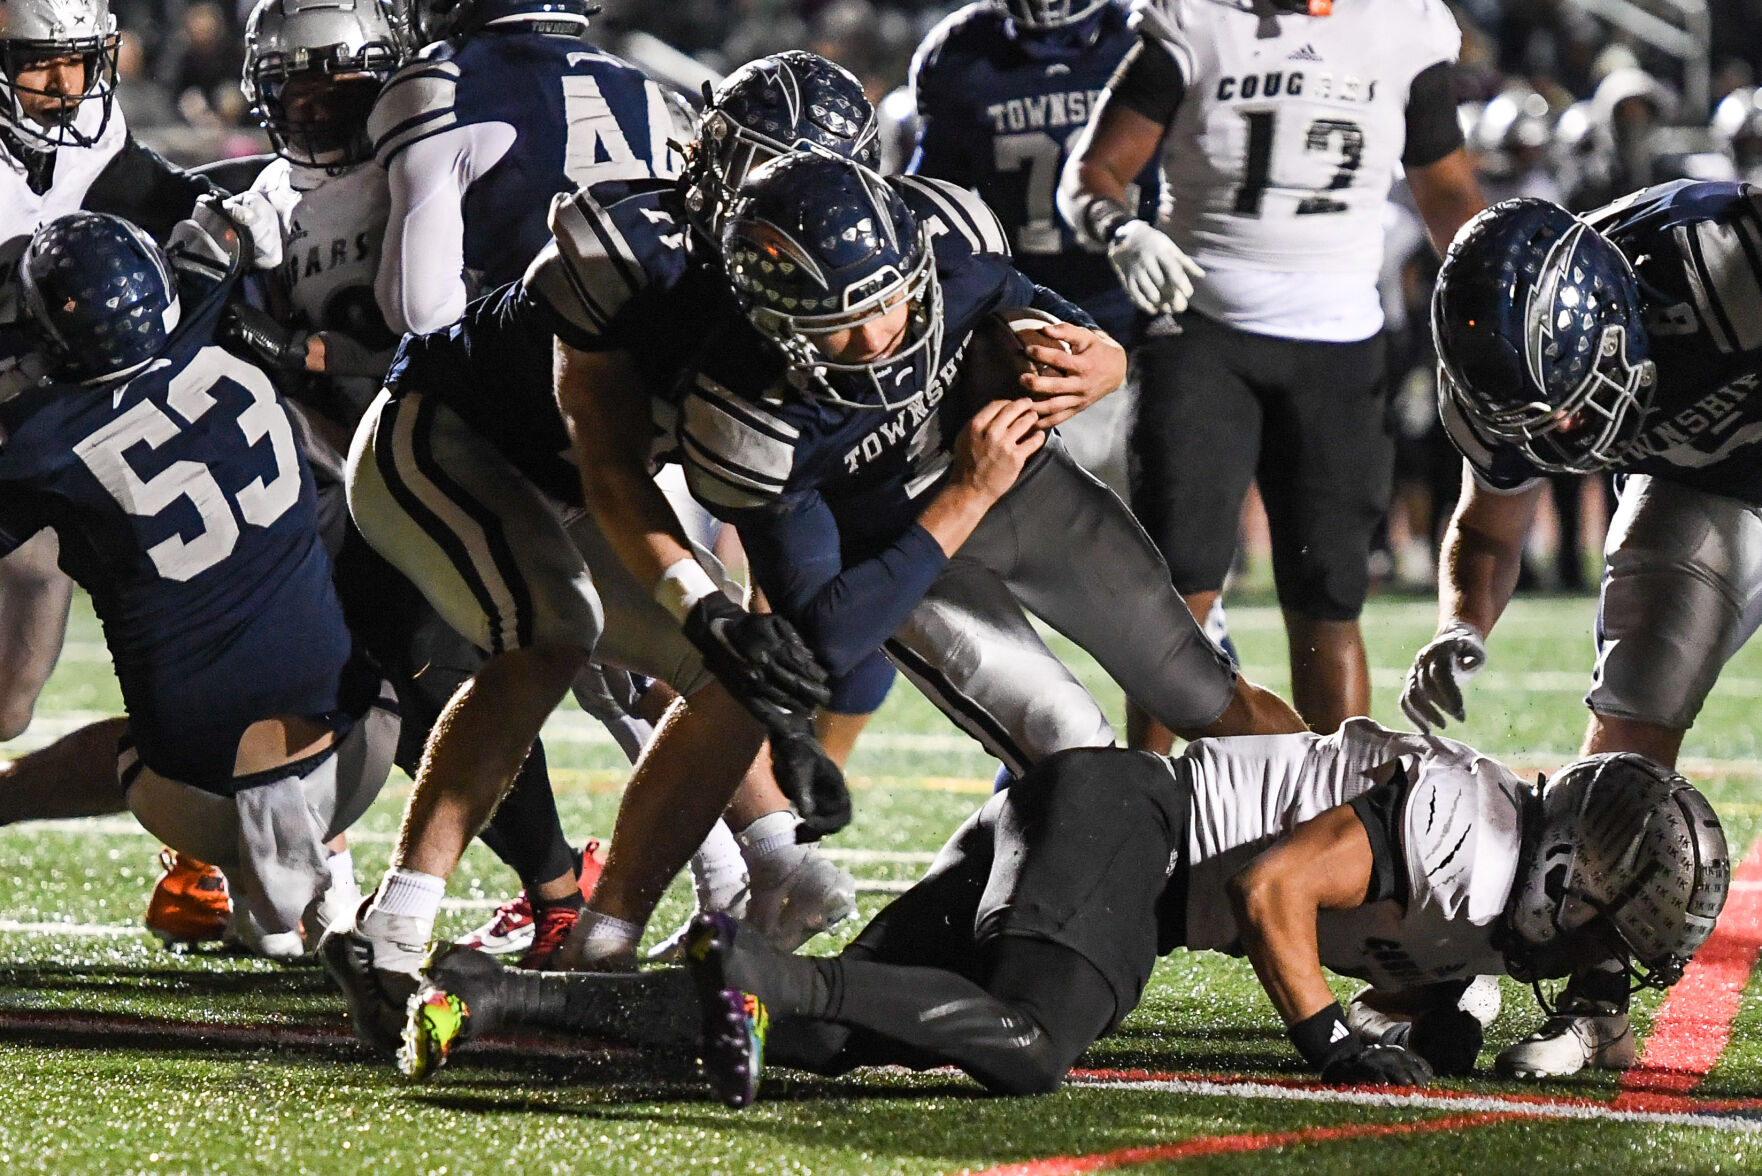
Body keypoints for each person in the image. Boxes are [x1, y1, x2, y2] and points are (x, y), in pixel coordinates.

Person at [320, 56, 856, 1051]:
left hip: (567, 485)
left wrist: (787, 719)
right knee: (554, 630)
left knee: (730, 672)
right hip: (445, 435)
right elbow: (612, 469)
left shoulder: (825, 285)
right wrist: (707, 604)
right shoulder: (628, 245)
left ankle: (673, 916)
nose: (790, 219)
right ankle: (389, 935)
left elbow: (775, 505)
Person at [399, 723, 1729, 1110]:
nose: (1604, 963)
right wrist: (1324, 1040)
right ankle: (762, 969)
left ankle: (489, 994)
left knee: (829, 1047)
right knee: (1033, 1047)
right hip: (1133, 834)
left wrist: (1428, 1026)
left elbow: (1411, 975)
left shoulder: (1490, 897)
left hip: (1092, 822)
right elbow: (1274, 887)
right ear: (1567, 874)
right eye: (1612, 933)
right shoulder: (1466, 835)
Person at [681, 152, 1303, 789]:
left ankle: (1352, 835)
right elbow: (828, 640)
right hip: (906, 557)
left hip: (1028, 490)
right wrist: (968, 493)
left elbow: (1024, 301)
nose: (875, 341)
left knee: (1207, 694)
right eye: (838, 324)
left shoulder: (950, 243)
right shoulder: (746, 415)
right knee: (1066, 738)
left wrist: (1099, 354)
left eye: (886, 302)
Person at [222, 0, 607, 968]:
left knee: (604, 679)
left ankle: (678, 879)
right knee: (380, 665)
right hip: (351, 480)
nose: (317, 112)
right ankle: (341, 880)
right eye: (296, 92)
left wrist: (308, 352)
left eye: (339, 88)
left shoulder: (425, 154)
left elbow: (435, 330)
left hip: (473, 450)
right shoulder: (265, 201)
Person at [1402, 181, 1762, 1077]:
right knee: (1627, 738)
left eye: (1567, 399)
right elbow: (1488, 529)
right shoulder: (1494, 376)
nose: (1563, 431)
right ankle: (1598, 1004)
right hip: (1710, 486)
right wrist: (1462, 621)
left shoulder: (1728, 264)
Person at [1057, 0, 1487, 739]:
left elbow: (1448, 193)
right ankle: (1155, 810)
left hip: (1342, 347)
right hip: (1201, 333)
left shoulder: (1402, 25)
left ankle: (1342, 815)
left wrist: (1489, 300)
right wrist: (1121, 227)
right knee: (1176, 595)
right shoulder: (1195, 19)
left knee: (1329, 601)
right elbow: (1092, 172)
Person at [0, 210, 398, 960]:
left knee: (162, 736)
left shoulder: (40, 445)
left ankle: (245, 881)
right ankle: (340, 889)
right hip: (358, 757)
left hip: (191, 796)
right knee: (308, 667)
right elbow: (216, 238)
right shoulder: (208, 317)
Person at [907, 0, 1159, 495]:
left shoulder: (1146, 34)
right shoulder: (962, 53)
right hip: (1032, 319)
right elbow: (933, 206)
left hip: (1144, 308)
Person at [366, 0, 682, 337]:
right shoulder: (646, 88)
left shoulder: (452, 77)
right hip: (662, 344)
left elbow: (418, 313)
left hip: (545, 354)